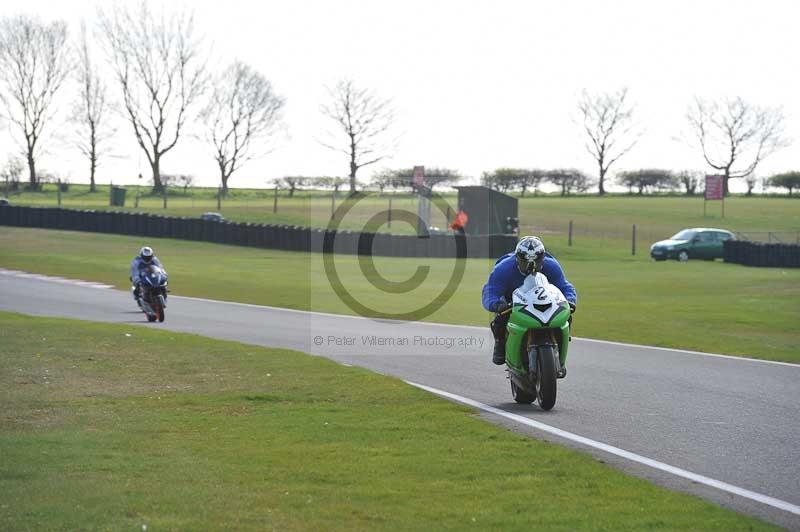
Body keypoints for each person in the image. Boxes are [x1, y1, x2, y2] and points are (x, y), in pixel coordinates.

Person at [481, 236, 577, 365]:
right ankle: (500, 343)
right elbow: (490, 290)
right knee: (500, 318)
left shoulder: (551, 266)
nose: (531, 266)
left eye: (536, 261)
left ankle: (561, 343)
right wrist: (496, 304)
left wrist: (570, 300)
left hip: (543, 297)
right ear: (517, 258)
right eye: (525, 261)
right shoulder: (503, 268)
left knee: (566, 314)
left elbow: (565, 286)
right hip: (513, 300)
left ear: (542, 258)